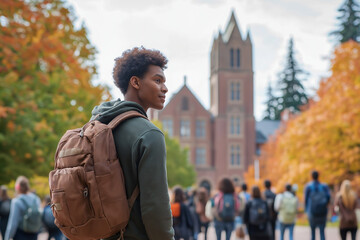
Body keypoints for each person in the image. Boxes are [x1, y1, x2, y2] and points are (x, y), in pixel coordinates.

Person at [91, 47, 174, 240]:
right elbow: (155, 207)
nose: (165, 88)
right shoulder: (149, 134)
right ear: (135, 82)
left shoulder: (98, 123)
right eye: (157, 80)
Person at [4, 176, 41, 240]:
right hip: (34, 233)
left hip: (21, 234)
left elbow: (13, 223)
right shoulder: (36, 199)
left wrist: (7, 237)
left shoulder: (16, 201)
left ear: (17, 187)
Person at [304, 170, 331, 240]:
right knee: (322, 232)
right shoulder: (324, 186)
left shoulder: (308, 187)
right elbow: (328, 197)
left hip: (312, 213)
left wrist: (306, 211)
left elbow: (306, 200)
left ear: (311, 177)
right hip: (322, 213)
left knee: (313, 233)